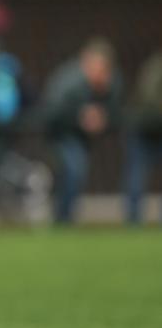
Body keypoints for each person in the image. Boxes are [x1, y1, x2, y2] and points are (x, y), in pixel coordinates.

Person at [43, 37, 122, 224]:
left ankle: (65, 217)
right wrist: (80, 117)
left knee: (75, 172)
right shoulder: (69, 82)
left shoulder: (111, 83)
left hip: (82, 138)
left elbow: (115, 114)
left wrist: (103, 116)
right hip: (60, 134)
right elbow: (52, 112)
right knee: (73, 169)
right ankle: (63, 218)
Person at [124, 50, 162, 224]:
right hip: (143, 130)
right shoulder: (156, 67)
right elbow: (149, 98)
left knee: (136, 174)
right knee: (137, 174)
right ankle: (134, 221)